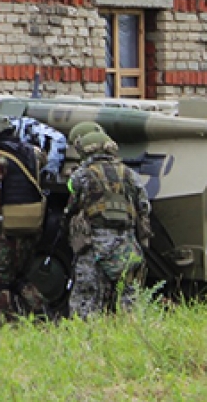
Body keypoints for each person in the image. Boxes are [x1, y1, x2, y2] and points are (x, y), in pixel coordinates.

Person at [65, 121, 153, 316]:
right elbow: (144, 206)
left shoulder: (81, 176)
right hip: (127, 244)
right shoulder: (130, 174)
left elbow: (72, 204)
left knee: (87, 300)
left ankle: (86, 341)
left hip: (93, 246)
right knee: (130, 299)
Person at [0, 114, 46, 318]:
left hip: (7, 227)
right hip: (32, 222)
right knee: (20, 276)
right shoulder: (33, 152)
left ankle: (2, 321)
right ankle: (41, 311)